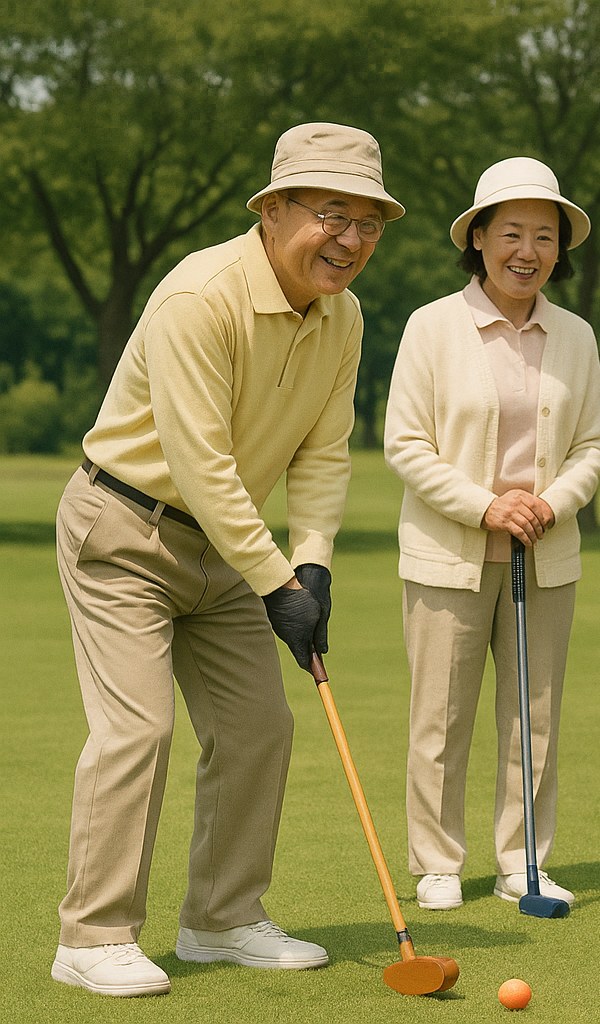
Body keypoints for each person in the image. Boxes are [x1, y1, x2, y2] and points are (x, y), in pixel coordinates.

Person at [51, 123, 403, 997]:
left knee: (259, 729)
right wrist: (278, 577)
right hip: (124, 530)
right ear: (273, 209)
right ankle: (90, 937)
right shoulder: (198, 299)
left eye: (369, 223)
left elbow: (324, 453)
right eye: (331, 215)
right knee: (139, 729)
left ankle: (222, 918)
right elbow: (201, 465)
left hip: (229, 550)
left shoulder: (345, 316)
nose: (351, 240)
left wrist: (312, 564)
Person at [384, 157, 600, 912]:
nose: (528, 250)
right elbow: (405, 444)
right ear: (477, 238)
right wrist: (486, 505)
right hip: (447, 554)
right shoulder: (431, 326)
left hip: (545, 554)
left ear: (559, 250)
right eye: (510, 231)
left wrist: (550, 503)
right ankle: (437, 862)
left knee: (535, 718)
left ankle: (523, 861)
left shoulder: (575, 335)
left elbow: (594, 444)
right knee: (439, 720)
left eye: (543, 236)